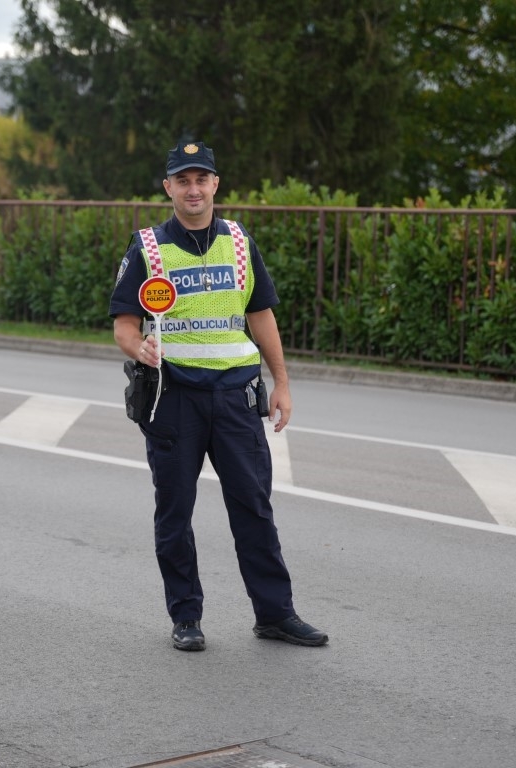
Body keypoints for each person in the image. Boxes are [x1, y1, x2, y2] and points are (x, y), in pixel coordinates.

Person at [110, 139, 328, 652]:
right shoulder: (147, 247)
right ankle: (186, 617)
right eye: (182, 180)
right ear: (168, 187)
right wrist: (138, 347)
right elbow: (124, 323)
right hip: (174, 400)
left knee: (253, 508)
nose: (193, 189)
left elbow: (261, 315)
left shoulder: (238, 240)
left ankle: (275, 614)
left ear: (215, 184)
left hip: (235, 398)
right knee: (175, 513)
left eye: (201, 179)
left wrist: (283, 382)